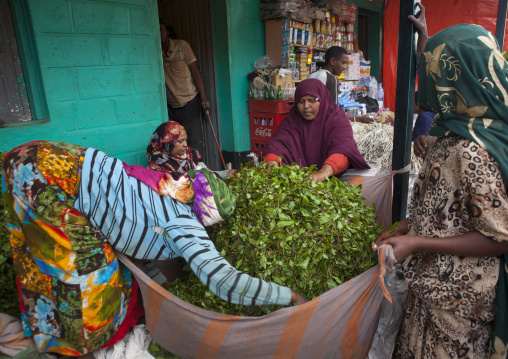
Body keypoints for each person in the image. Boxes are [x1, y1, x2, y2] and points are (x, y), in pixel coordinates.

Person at [2, 140, 307, 356]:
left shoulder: (172, 185)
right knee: (85, 278)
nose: (213, 230)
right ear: (208, 216)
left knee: (103, 265)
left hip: (50, 156)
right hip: (45, 176)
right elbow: (224, 282)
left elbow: (139, 231)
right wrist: (285, 294)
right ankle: (70, 344)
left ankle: (60, 329)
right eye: (215, 223)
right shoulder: (185, 226)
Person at [372, 23, 508, 358]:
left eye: (433, 75)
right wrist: (408, 226)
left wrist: (417, 242)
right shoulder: (449, 134)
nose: (425, 89)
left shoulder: (472, 149)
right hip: (429, 291)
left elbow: (500, 237)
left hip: (458, 305)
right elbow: (447, 208)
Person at [262, 78, 370, 182]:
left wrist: (322, 174)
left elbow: (344, 148)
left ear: (322, 99)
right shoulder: (292, 120)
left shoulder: (336, 117)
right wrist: (273, 165)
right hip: (297, 180)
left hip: (330, 177)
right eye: (301, 101)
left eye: (311, 100)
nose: (306, 106)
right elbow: (275, 146)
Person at [159, 19, 209, 157]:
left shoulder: (182, 46)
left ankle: (200, 173)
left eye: (162, 29)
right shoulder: (155, 51)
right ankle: (182, 175)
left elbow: (195, 72)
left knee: (195, 142)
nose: (159, 32)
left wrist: (203, 97)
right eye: (156, 30)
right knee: (175, 144)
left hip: (189, 102)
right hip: (170, 106)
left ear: (168, 31)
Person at [308, 46, 374, 124]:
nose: (345, 67)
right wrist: (358, 119)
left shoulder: (311, 75)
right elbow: (333, 113)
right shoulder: (331, 79)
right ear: (332, 61)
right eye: (343, 63)